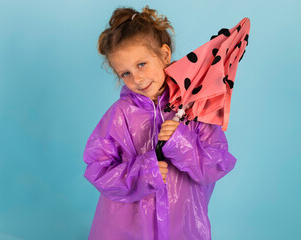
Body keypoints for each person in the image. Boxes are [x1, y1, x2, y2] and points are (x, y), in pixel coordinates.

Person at [83, 5, 237, 240]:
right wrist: (144, 171)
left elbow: (216, 164)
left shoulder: (193, 108)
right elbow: (98, 169)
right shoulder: (119, 116)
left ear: (164, 55)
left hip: (182, 225)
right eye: (125, 73)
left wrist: (182, 144)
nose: (137, 79)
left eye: (141, 64)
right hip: (128, 230)